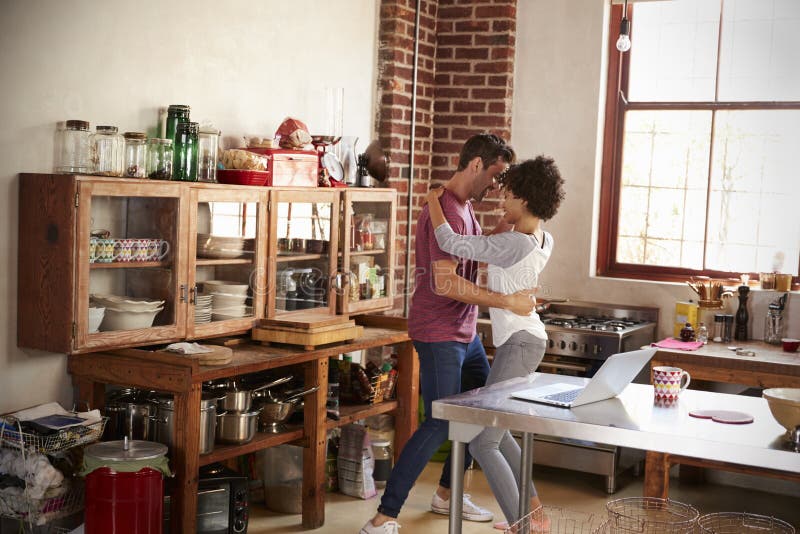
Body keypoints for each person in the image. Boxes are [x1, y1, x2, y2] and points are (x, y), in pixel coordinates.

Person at [360, 134, 538, 534]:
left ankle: (445, 495)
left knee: (477, 411)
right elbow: (446, 284)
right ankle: (383, 518)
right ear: (475, 164)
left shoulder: (464, 208)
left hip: (465, 330)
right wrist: (506, 302)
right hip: (439, 331)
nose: (496, 185)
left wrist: (503, 226)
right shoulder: (446, 210)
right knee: (440, 421)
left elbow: (471, 252)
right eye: (494, 174)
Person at [426, 156, 566, 532]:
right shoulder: (542, 237)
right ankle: (536, 517)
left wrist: (433, 202)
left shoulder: (512, 244)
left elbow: (449, 241)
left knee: (483, 442)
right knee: (500, 437)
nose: (502, 203)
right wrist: (511, 213)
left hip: (519, 343)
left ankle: (523, 525)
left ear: (525, 199)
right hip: (527, 341)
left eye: (508, 196)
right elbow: (497, 240)